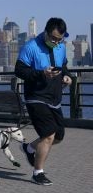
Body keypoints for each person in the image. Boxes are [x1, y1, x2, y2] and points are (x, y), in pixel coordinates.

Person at [15, 17, 72, 186]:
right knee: (48, 135)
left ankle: (29, 148)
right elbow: (19, 70)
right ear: (46, 32)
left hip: (54, 99)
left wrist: (67, 76)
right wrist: (41, 73)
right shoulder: (31, 47)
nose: (56, 42)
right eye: (53, 38)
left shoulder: (61, 46)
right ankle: (38, 172)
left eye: (59, 39)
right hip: (35, 97)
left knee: (59, 136)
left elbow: (64, 66)